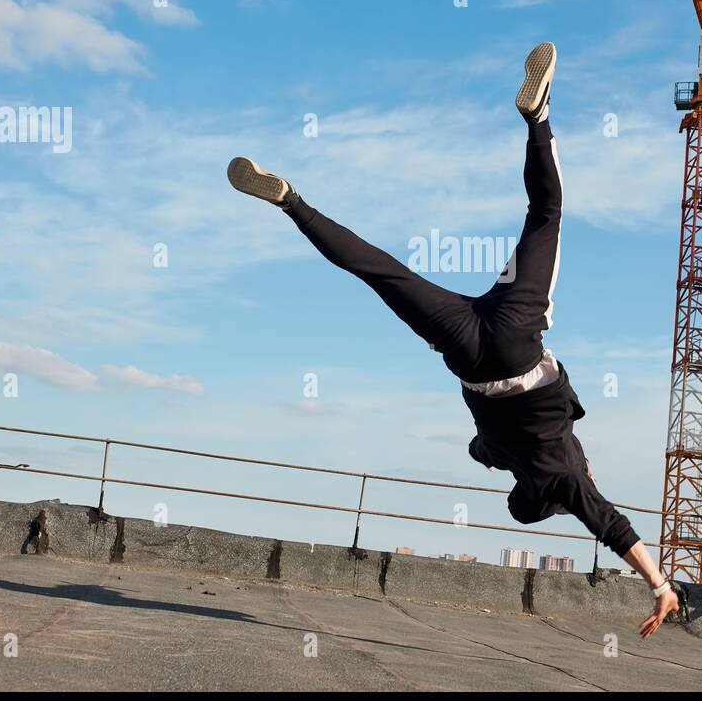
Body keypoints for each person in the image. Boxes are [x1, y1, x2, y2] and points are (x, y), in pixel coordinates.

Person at [227, 42, 679, 638]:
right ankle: (292, 202)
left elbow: (615, 529)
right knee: (381, 272)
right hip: (466, 351)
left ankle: (538, 119)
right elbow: (477, 449)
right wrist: (493, 454)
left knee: (545, 215)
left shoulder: (565, 477)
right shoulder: (506, 458)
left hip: (517, 337)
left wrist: (661, 586)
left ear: (554, 495)